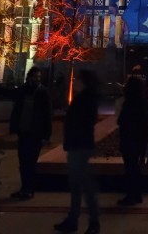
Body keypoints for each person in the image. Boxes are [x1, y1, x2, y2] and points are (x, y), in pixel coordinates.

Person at [55, 70, 100, 234]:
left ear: (84, 82)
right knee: (78, 186)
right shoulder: (87, 98)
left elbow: (82, 122)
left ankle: (90, 222)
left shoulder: (85, 99)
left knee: (82, 186)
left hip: (79, 146)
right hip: (79, 145)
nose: (75, 83)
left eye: (77, 80)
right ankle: (75, 219)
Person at [9, 67, 53, 201]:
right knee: (23, 162)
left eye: (39, 77)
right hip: (24, 132)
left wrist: (46, 135)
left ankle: (29, 189)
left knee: (31, 162)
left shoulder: (43, 93)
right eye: (35, 77)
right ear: (29, 77)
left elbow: (47, 114)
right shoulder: (23, 91)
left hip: (35, 133)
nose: (37, 79)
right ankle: (25, 188)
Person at [116, 77, 148, 206]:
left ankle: (131, 195)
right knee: (134, 167)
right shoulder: (142, 101)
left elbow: (122, 121)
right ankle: (137, 194)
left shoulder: (129, 103)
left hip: (129, 139)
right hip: (139, 139)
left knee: (130, 168)